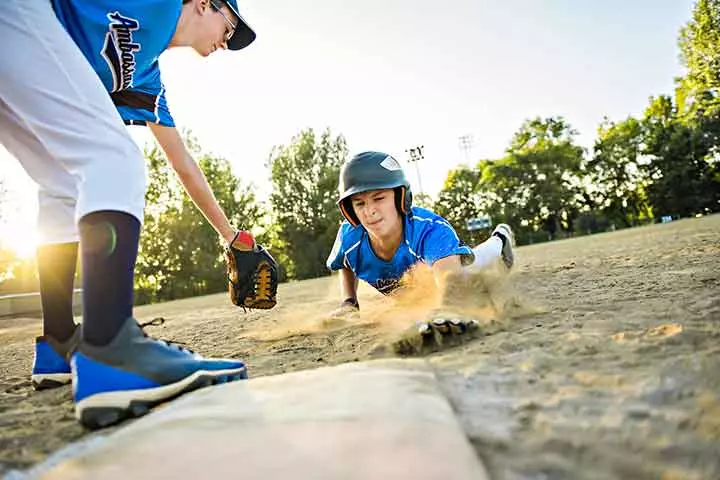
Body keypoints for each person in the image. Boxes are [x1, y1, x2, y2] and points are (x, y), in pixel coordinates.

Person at [0, 0, 257, 429]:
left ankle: (59, 343)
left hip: (20, 43)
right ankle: (110, 348)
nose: (225, 44)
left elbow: (183, 164)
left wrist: (231, 236)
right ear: (203, 4)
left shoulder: (146, 77)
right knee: (111, 156)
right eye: (229, 29)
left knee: (63, 185)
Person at [326, 151, 515, 314]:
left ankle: (500, 241)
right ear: (349, 210)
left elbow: (452, 293)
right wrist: (349, 301)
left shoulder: (430, 230)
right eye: (359, 203)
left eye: (379, 198)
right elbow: (346, 262)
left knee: (474, 267)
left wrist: (446, 310)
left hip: (449, 271)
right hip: (415, 292)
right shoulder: (349, 237)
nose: (369, 211)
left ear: (401, 197)